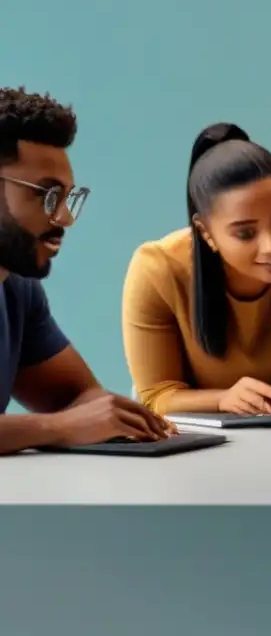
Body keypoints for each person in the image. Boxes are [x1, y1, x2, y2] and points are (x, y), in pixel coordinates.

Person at [122, 123, 271, 416]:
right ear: (205, 233)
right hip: (191, 450)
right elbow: (156, 396)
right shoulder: (156, 270)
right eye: (246, 234)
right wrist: (222, 399)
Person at [0, 86, 173, 455]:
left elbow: (76, 397)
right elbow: (66, 419)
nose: (64, 218)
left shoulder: (17, 291)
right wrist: (57, 428)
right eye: (44, 195)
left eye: (67, 198)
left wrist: (123, 419)